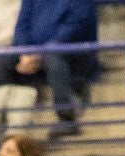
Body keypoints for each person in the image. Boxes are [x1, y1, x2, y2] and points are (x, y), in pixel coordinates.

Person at [10, 0, 102, 138]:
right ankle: (11, 121)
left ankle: (67, 118)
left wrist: (39, 54)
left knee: (53, 56)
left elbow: (76, 26)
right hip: (35, 54)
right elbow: (22, 26)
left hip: (73, 54)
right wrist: (25, 53)